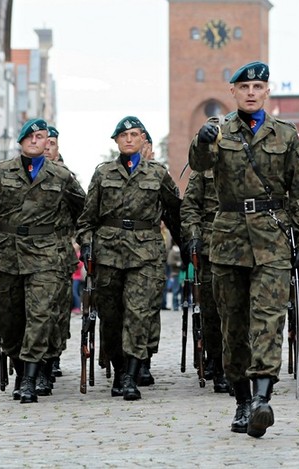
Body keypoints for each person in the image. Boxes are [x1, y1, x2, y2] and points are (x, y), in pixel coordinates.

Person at [189, 61, 299, 438]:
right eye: (244, 87)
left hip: (272, 236)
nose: (251, 92)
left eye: (258, 86)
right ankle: (242, 401)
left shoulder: (286, 135)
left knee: (269, 319)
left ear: (267, 91)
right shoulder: (218, 132)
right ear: (233, 92)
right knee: (233, 325)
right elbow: (198, 164)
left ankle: (262, 398)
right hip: (227, 238)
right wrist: (201, 139)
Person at [0, 117, 85, 404]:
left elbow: (84, 213)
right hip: (7, 255)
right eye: (30, 136)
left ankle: (31, 379)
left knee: (40, 315)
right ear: (21, 141)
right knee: (9, 320)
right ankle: (21, 371)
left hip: (47, 256)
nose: (35, 140)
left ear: (49, 142)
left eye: (41, 136)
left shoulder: (61, 176)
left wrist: (75, 241)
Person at [76, 116, 181, 401]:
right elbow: (86, 219)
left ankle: (130, 376)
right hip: (109, 254)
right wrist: (87, 245)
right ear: (116, 141)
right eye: (124, 135)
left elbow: (176, 213)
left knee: (138, 314)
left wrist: (187, 245)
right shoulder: (103, 174)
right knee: (112, 318)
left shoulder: (158, 174)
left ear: (144, 140)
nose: (129, 139)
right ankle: (119, 367)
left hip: (146, 254)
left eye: (135, 134)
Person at [181, 169, 230, 393]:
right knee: (212, 312)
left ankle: (240, 367)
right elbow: (190, 206)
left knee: (245, 309)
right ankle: (218, 365)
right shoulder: (204, 166)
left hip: (249, 241)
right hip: (212, 246)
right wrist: (194, 236)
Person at [39, 125, 79, 386]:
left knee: (57, 311)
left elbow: (83, 214)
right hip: (29, 255)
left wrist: (76, 242)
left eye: (51, 142)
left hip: (60, 254)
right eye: (44, 142)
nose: (47, 147)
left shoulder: (66, 178)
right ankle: (37, 361)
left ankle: (53, 356)